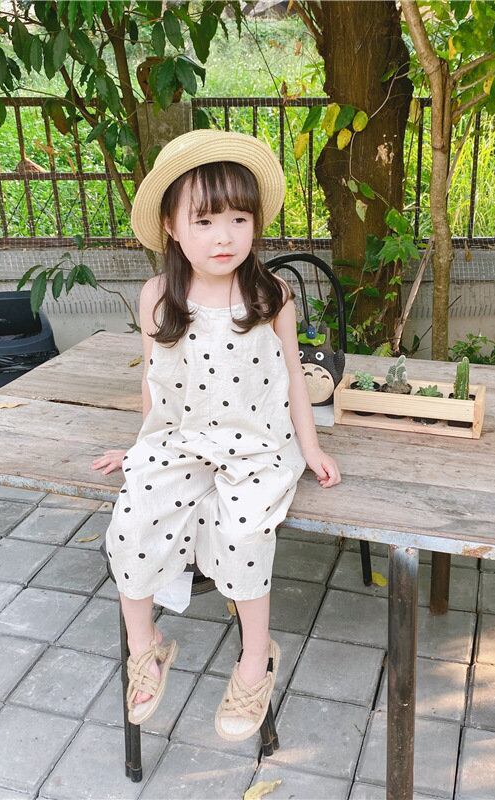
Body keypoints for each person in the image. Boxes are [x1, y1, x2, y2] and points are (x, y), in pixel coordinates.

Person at [91, 129, 341, 741]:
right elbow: (155, 381)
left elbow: (294, 379)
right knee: (132, 518)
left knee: (242, 531)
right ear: (171, 226)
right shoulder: (158, 296)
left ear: (255, 224)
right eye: (204, 221)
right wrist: (140, 447)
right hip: (179, 442)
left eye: (238, 219)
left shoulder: (270, 295)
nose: (223, 236)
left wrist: (310, 448)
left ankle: (256, 659)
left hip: (256, 446)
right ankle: (145, 644)